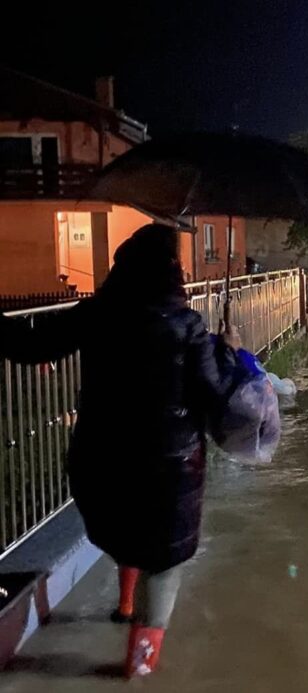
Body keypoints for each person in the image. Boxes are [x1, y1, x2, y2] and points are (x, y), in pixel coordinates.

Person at [0, 224, 239, 679]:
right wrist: (228, 352)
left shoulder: (95, 314)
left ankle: (125, 605)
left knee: (125, 531)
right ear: (172, 273)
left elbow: (29, 346)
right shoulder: (188, 326)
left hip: (103, 462)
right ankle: (137, 673)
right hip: (169, 472)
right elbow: (214, 396)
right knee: (162, 565)